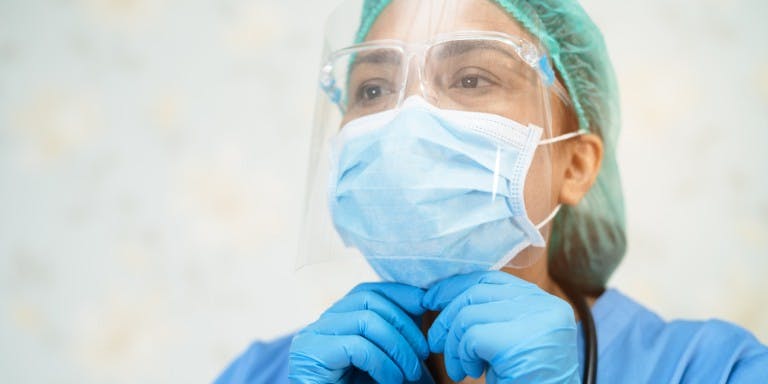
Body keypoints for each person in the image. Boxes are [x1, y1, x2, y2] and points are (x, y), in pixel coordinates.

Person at [215, 0, 768, 383]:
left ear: (575, 163)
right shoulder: (267, 374)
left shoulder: (714, 369)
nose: (407, 119)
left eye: (471, 78)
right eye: (374, 88)